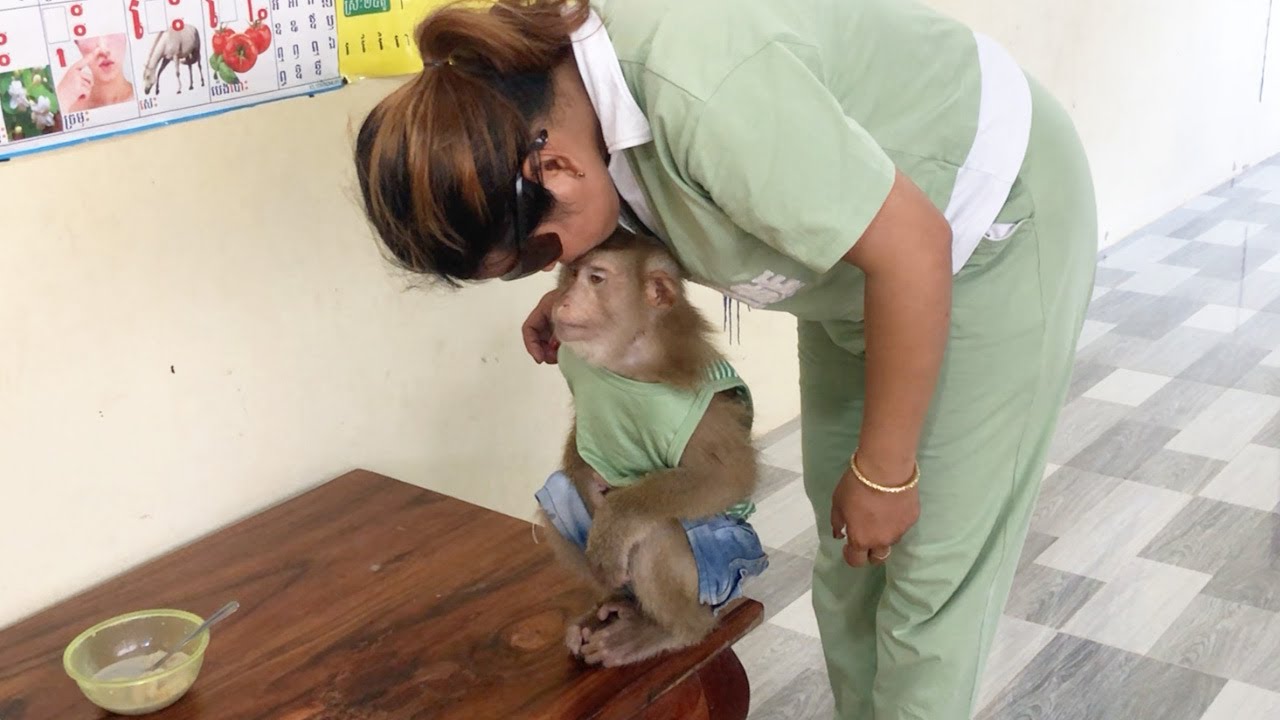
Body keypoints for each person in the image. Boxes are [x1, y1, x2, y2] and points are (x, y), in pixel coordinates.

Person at [352, 0, 1097, 717]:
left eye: (540, 252)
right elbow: (637, 211)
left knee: (926, 579)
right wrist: (580, 292)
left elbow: (913, 247)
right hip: (857, 273)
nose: (558, 265)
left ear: (553, 168)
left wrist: (887, 469)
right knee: (849, 559)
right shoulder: (567, 111)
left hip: (980, 233)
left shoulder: (702, 89)